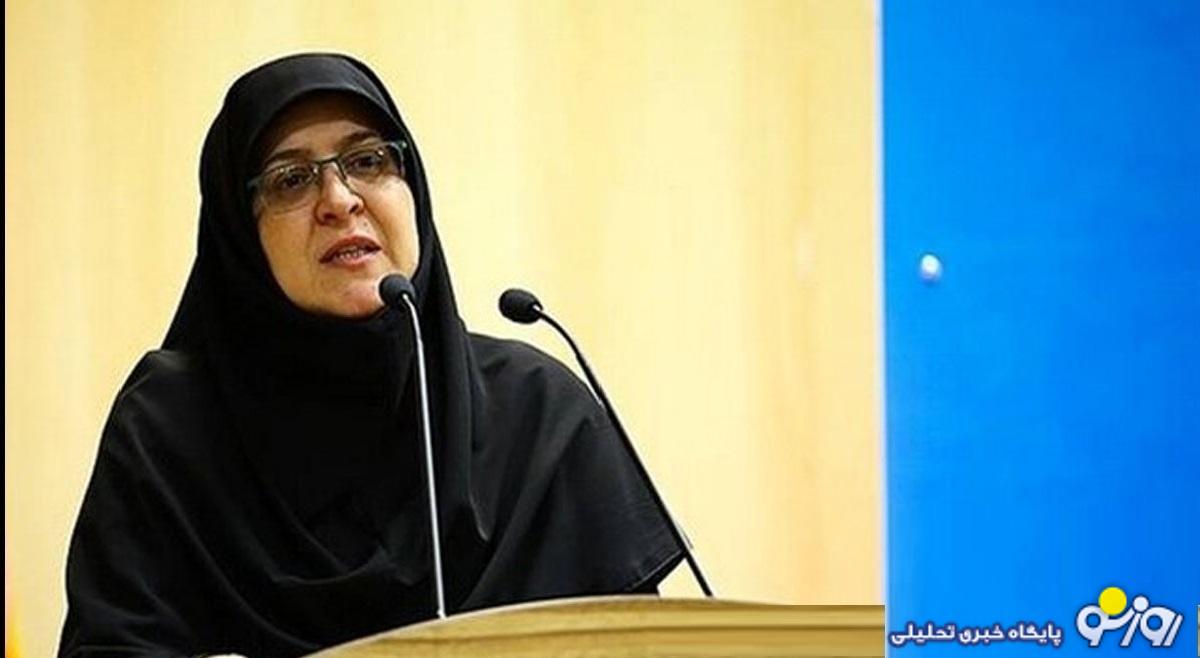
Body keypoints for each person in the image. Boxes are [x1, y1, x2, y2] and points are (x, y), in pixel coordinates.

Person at [59, 53, 682, 658]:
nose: (340, 199)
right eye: (291, 179)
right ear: (240, 234)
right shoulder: (170, 432)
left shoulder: (542, 416)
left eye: (367, 160)